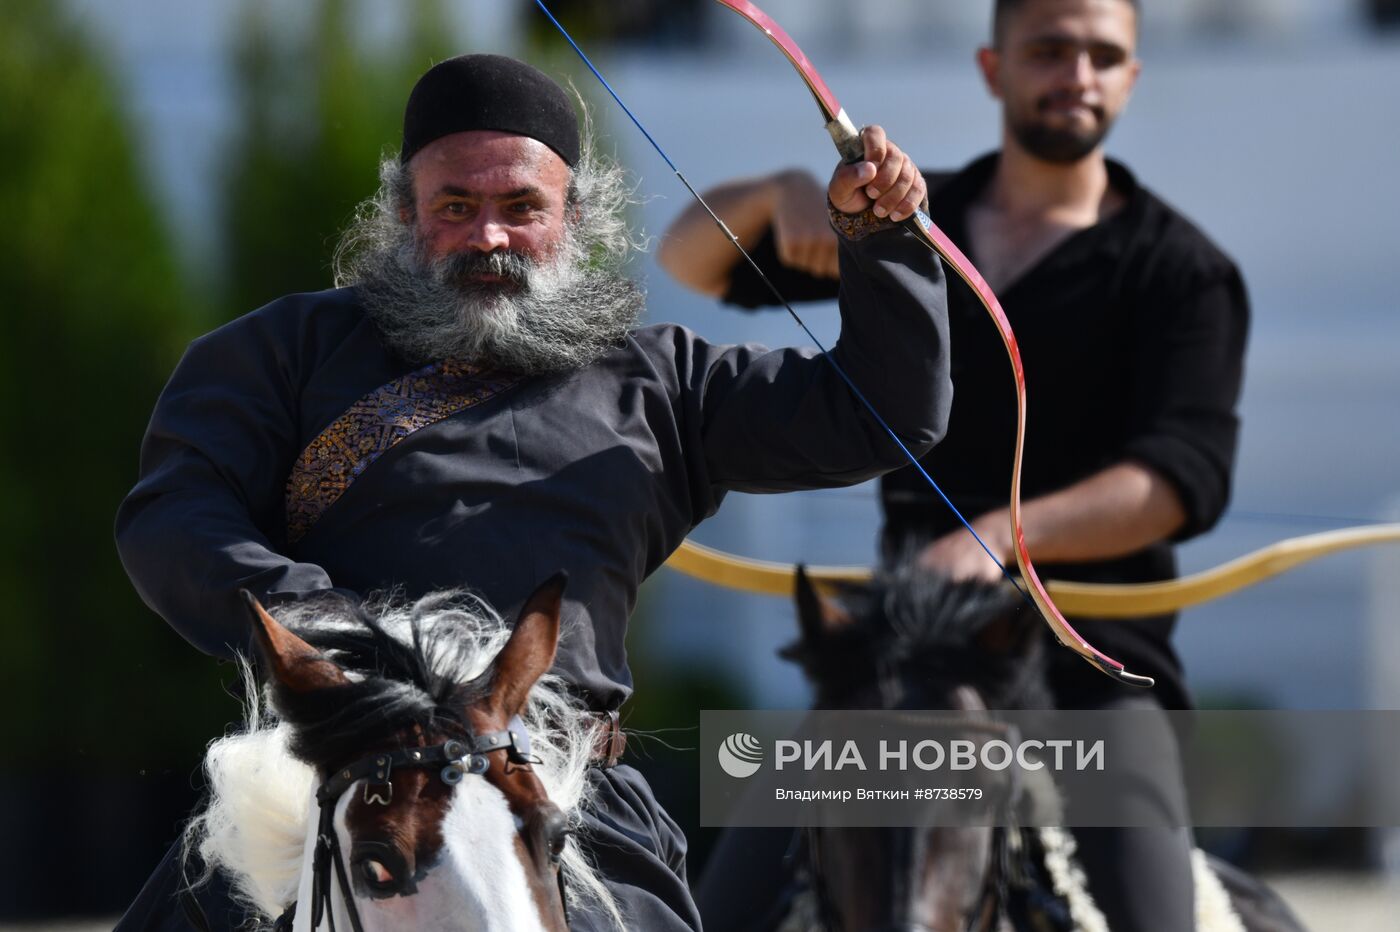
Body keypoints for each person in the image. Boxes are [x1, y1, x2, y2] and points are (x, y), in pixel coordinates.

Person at [113, 53, 948, 930]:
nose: (490, 237)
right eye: (455, 208)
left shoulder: (661, 382)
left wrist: (882, 240)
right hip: (336, 781)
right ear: (404, 213)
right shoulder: (280, 352)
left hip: (569, 798)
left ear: (572, 217)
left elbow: (885, 420)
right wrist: (327, 632)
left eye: (522, 207)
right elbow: (175, 512)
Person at [659, 1, 1248, 929]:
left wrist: (998, 540)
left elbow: (1181, 476)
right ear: (992, 67)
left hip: (1095, 682)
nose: (1077, 73)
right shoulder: (902, 216)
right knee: (716, 914)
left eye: (1104, 56)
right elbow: (688, 256)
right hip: (903, 672)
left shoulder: (1184, 272)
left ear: (1131, 78)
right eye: (1050, 49)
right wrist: (776, 195)